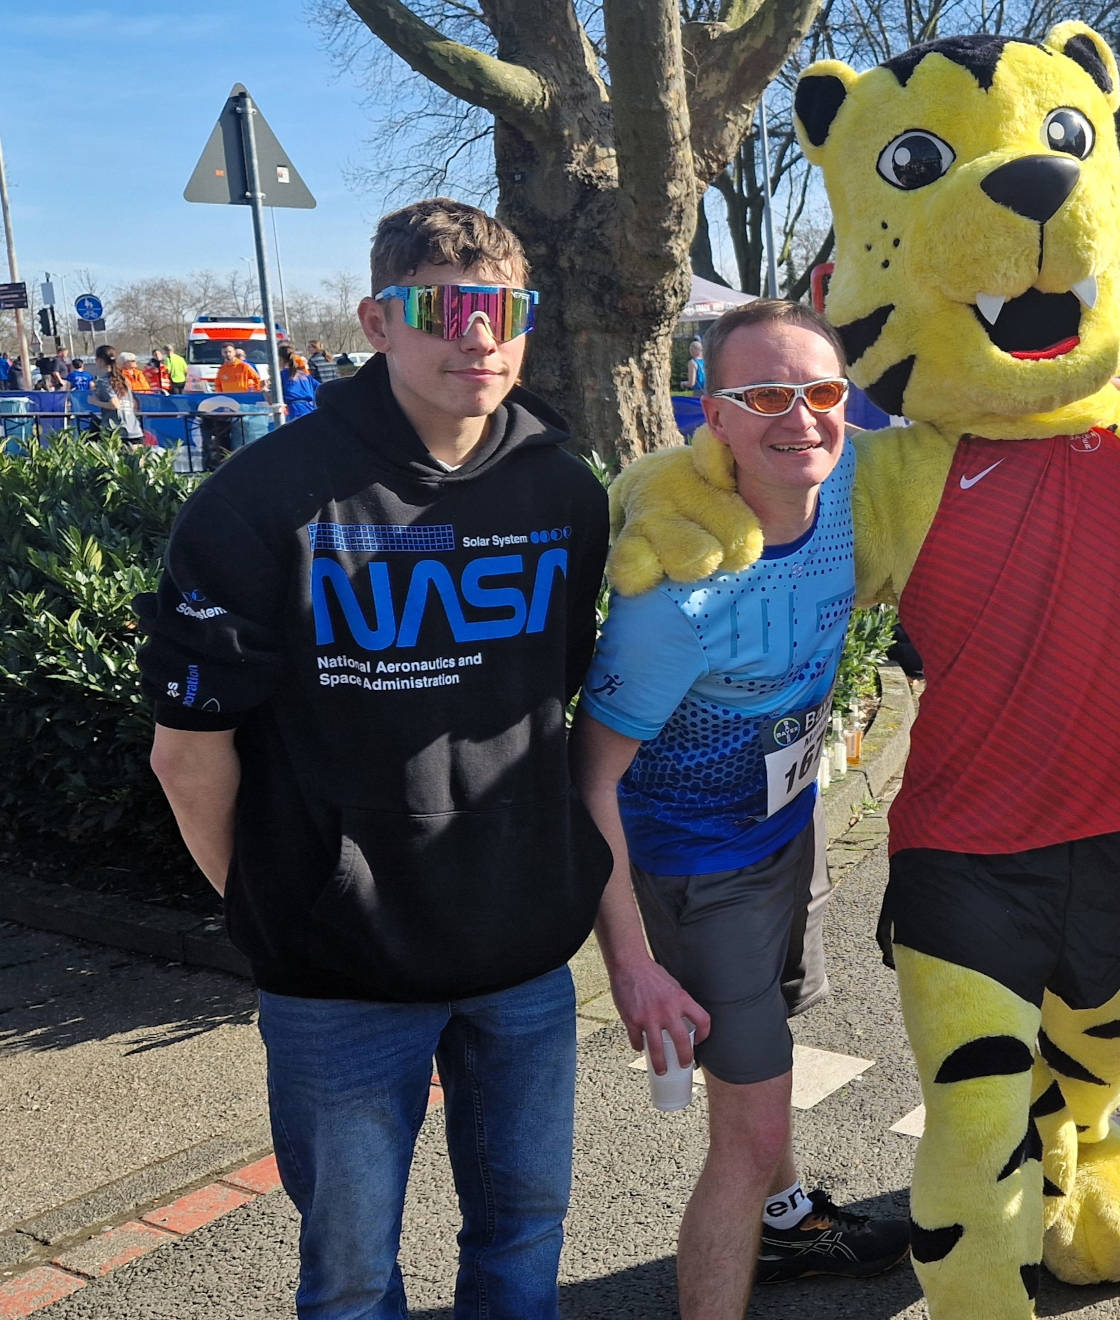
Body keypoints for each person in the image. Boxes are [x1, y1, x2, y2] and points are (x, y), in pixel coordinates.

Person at [138, 197, 610, 1319]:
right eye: (442, 309)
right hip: (342, 973)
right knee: (351, 1279)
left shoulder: (564, 491)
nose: (478, 337)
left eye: (501, 308)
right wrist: (277, 902)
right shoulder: (259, 504)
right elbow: (186, 754)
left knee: (524, 1238)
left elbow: (559, 704)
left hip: (525, 954)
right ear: (377, 322)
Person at [573, 299, 910, 1320]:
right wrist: (629, 966)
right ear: (712, 416)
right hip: (694, 874)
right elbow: (587, 783)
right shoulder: (679, 594)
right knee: (746, 1136)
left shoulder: (846, 475)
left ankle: (790, 1221)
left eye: (821, 392)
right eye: (764, 395)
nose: (800, 417)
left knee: (770, 1057)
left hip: (785, 831)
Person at [90, 345, 144, 446]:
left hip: (117, 432)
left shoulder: (104, 382)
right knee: (137, 461)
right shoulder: (124, 380)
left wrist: (94, 402)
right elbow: (134, 403)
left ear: (100, 360)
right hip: (134, 429)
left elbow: (115, 405)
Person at [281, 350, 320, 418]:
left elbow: (274, 398)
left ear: (281, 360)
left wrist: (265, 391)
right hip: (310, 408)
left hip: (295, 410)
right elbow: (321, 387)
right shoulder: (305, 375)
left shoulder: (282, 375)